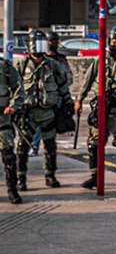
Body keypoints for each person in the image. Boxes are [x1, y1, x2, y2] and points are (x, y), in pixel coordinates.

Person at [75, 26, 116, 192]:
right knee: (94, 143)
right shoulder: (100, 59)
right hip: (100, 105)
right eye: (114, 40)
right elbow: (87, 80)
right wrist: (79, 99)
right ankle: (95, 176)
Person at [15, 30, 72, 191]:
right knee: (22, 147)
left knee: (50, 146)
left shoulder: (52, 64)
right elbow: (13, 86)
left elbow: (62, 84)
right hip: (28, 113)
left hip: (48, 112)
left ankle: (50, 175)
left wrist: (69, 103)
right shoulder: (21, 65)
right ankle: (21, 177)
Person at [1, 52, 25, 203]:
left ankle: (12, 189)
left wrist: (13, 106)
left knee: (8, 155)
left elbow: (18, 88)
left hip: (2, 118)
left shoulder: (5, 66)